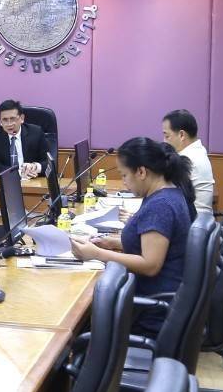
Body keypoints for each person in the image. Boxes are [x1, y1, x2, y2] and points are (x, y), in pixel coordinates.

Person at [67, 138, 196, 337]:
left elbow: (150, 265)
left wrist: (96, 253)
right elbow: (154, 244)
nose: (124, 182)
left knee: (76, 321)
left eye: (124, 175)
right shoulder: (167, 194)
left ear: (141, 172)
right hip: (156, 300)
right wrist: (112, 242)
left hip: (151, 311)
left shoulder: (160, 206)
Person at [161, 108, 215, 215]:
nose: (164, 141)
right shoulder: (198, 151)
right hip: (200, 218)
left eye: (167, 136)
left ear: (182, 135)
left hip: (192, 219)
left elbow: (164, 194)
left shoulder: (187, 159)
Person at [0, 100, 52, 180]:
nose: (9, 124)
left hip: (34, 180)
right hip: (9, 181)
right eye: (5, 120)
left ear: (22, 118)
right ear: (0, 120)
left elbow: (48, 162)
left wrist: (35, 167)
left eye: (13, 119)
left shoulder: (36, 132)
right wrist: (19, 173)